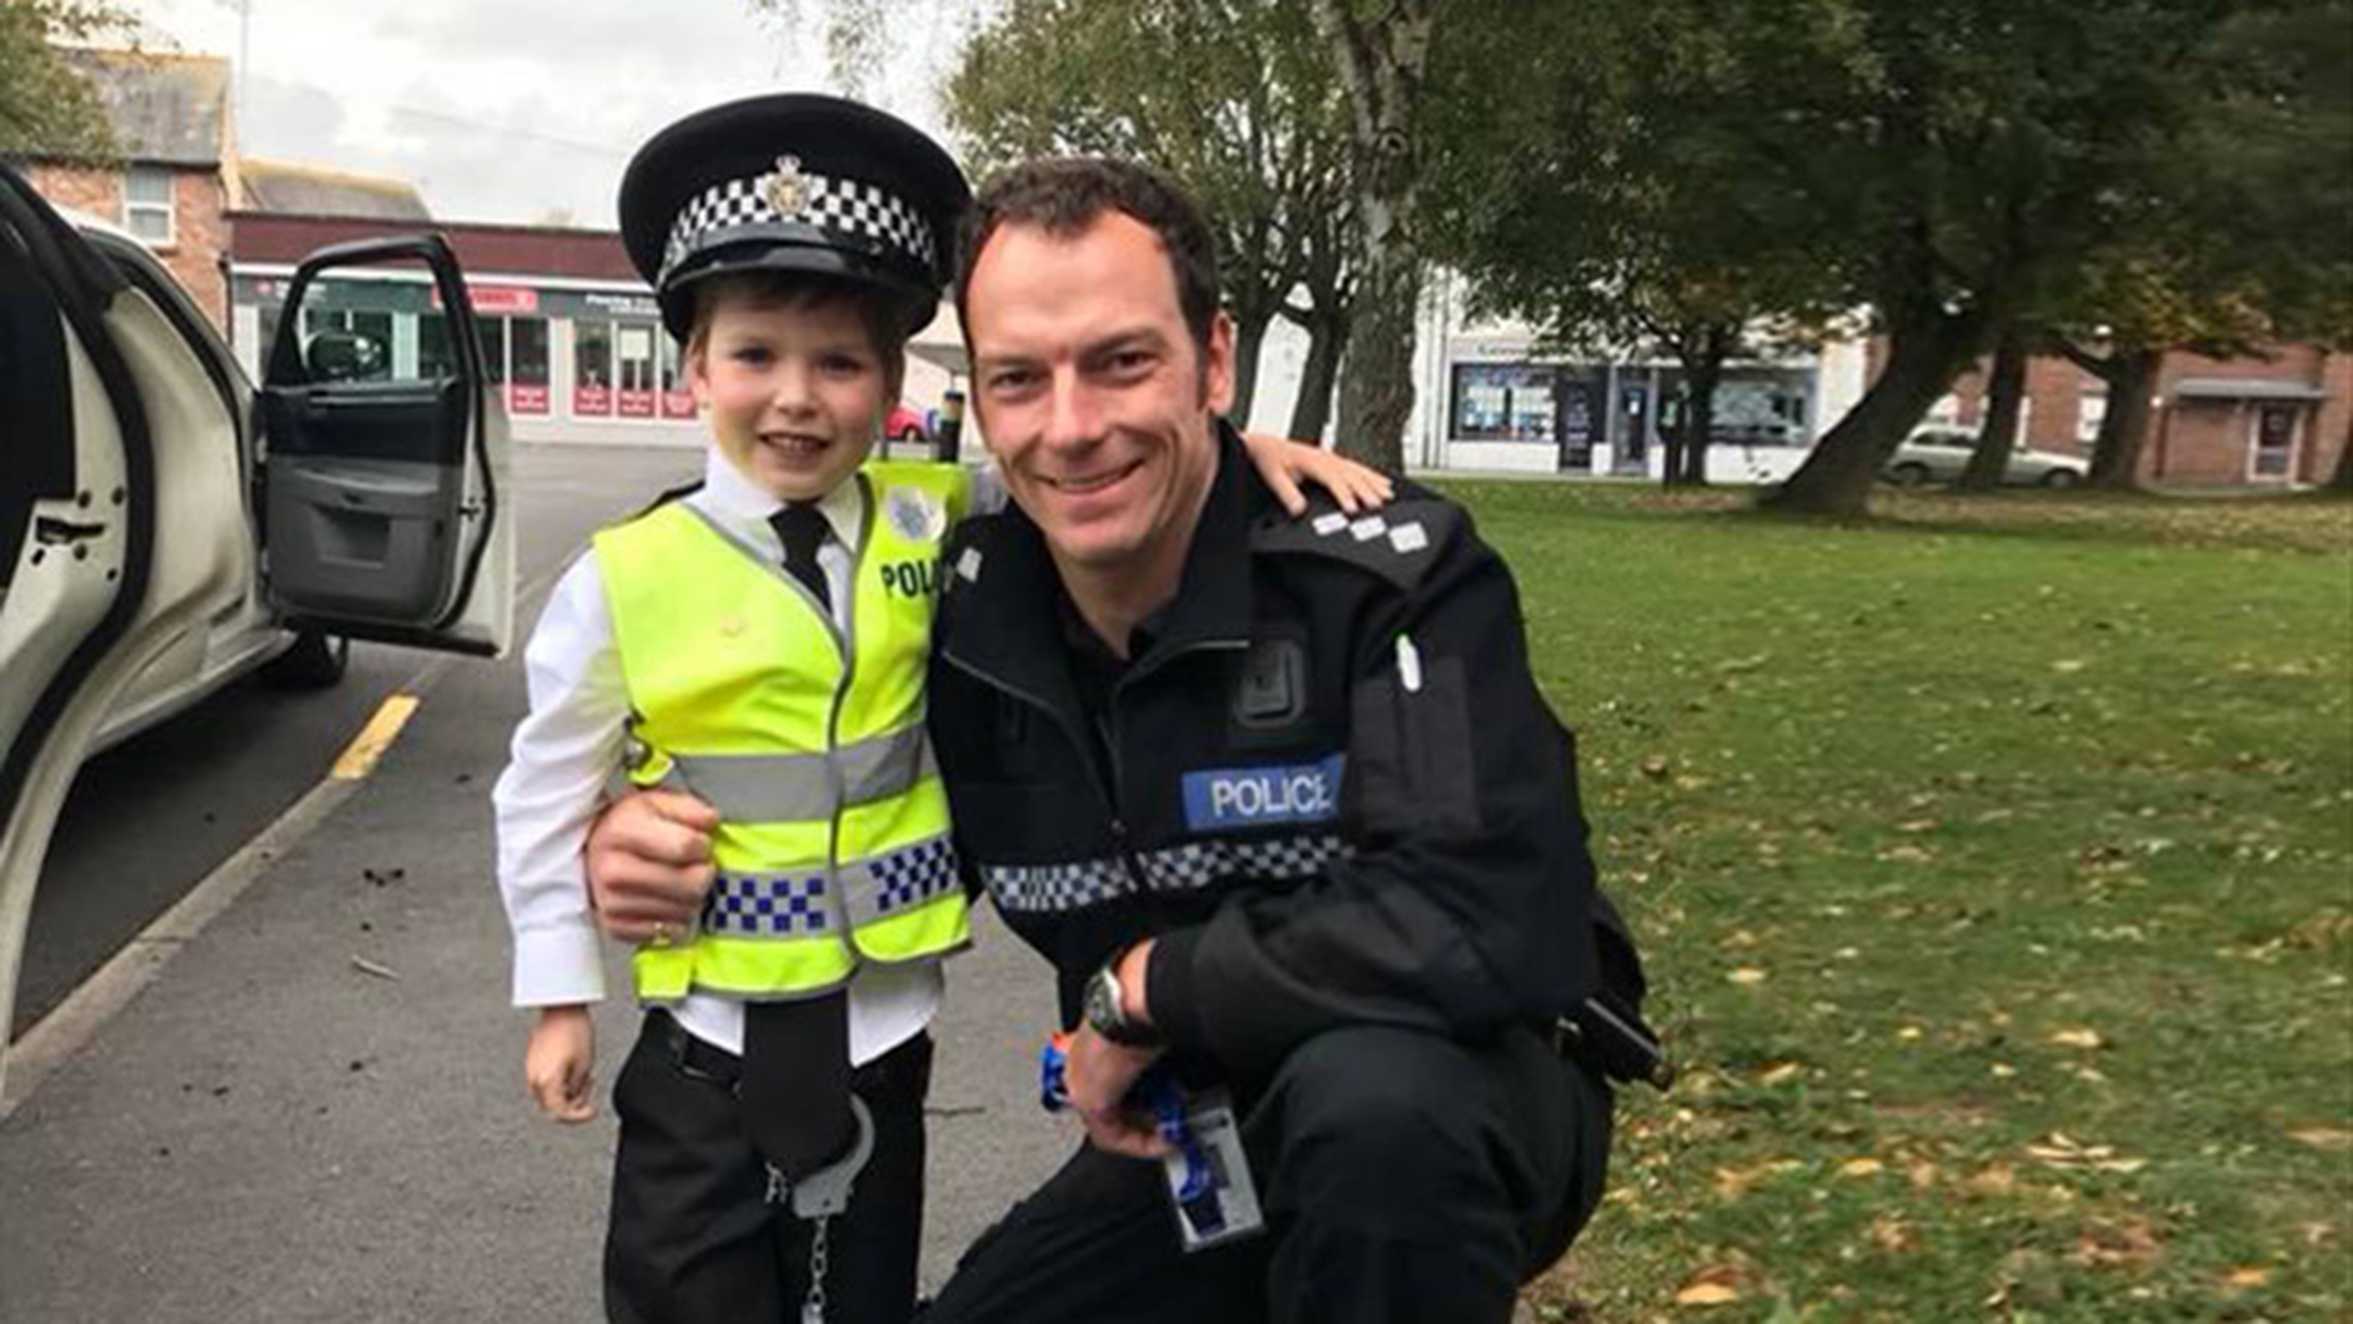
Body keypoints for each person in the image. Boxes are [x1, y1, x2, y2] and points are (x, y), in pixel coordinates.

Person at [585, 156, 1648, 1324]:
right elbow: (796, 701)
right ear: (978, 405)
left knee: (1373, 1110)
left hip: (1453, 1098)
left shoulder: (1381, 581)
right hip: (1190, 1132)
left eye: (1122, 362)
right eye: (1019, 380)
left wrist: (1145, 989)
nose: (1073, 428)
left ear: (1216, 361)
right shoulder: (957, 605)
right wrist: (638, 816)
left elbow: (1494, 916)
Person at [495, 100, 1390, 1324]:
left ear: (891, 378)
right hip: (708, 1042)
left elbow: (1082, 455)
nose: (797, 399)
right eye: (755, 356)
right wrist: (559, 989)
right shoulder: (622, 576)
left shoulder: (935, 518)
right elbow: (541, 785)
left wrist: (1234, 441)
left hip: (881, 1043)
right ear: (694, 364)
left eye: (841, 364)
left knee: (863, 1297)